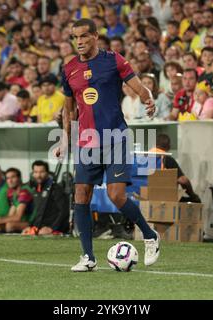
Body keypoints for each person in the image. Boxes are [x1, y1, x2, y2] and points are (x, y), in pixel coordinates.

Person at [57, 19, 159, 272]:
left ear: (95, 36)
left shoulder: (114, 60)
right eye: (75, 37)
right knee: (81, 195)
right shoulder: (68, 68)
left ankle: (149, 235)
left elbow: (136, 84)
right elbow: (68, 109)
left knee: (116, 195)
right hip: (87, 141)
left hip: (116, 137)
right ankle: (87, 257)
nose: (79, 41)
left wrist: (148, 98)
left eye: (83, 36)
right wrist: (64, 138)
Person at [149, 134, 201, 203]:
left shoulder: (142, 157)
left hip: (144, 196)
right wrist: (193, 195)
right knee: (193, 201)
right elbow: (183, 180)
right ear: (168, 146)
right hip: (164, 200)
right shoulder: (166, 159)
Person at [24, 161, 69, 236]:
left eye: (42, 172)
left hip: (52, 229)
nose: (38, 175)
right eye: (36, 172)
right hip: (39, 228)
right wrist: (30, 226)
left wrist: (52, 228)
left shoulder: (55, 189)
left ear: (47, 173)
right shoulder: (34, 189)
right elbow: (37, 213)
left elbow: (64, 211)